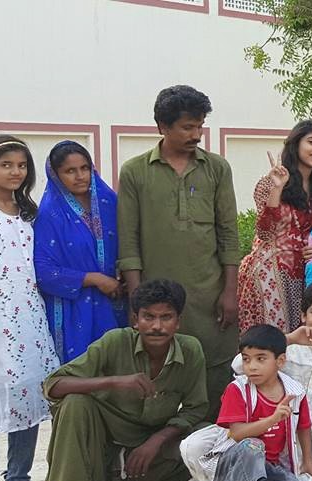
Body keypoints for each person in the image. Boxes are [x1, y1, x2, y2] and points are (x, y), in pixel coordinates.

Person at [40, 280, 206, 481]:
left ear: (178, 322)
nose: (157, 326)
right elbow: (53, 385)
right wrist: (114, 381)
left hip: (147, 447)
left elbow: (196, 409)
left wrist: (156, 441)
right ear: (135, 320)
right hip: (102, 443)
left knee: (205, 438)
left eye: (166, 317)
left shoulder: (191, 349)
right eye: (148, 317)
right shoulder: (115, 341)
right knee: (75, 403)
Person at [117, 85, 239, 421]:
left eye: (200, 126)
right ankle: (164, 446)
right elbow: (129, 241)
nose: (196, 135)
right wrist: (137, 303)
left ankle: (213, 444)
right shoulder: (135, 172)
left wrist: (230, 292)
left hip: (210, 295)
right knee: (160, 376)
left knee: (217, 375)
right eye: (187, 127)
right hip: (158, 301)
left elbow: (228, 233)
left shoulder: (217, 168)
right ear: (162, 126)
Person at [0, 135, 59, 481]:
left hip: (28, 319)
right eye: (6, 164)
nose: (15, 172)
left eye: (22, 165)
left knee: (29, 393)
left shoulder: (28, 212)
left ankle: (19, 480)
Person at [211, 324, 312, 481]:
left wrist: (308, 459)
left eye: (260, 359)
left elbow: (304, 426)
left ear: (280, 361)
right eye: (246, 359)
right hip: (234, 460)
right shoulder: (238, 389)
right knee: (252, 446)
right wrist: (272, 420)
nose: (252, 367)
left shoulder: (294, 391)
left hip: (269, 467)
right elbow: (237, 434)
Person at [235, 281, 312, 466]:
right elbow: (239, 366)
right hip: (265, 431)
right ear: (303, 316)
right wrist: (288, 339)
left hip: (306, 441)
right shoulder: (287, 347)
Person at [239, 120, 312, 332]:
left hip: (307, 273)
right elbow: (265, 231)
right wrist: (277, 188)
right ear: (296, 144)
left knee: (304, 339)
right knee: (273, 340)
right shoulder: (272, 182)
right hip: (271, 273)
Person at [34, 140, 126, 362]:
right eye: (70, 171)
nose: (80, 176)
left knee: (118, 364)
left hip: (116, 301)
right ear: (55, 175)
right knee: (81, 369)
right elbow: (43, 272)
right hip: (73, 308)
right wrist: (95, 279)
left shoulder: (109, 202)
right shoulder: (49, 214)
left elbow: (130, 243)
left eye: (85, 168)